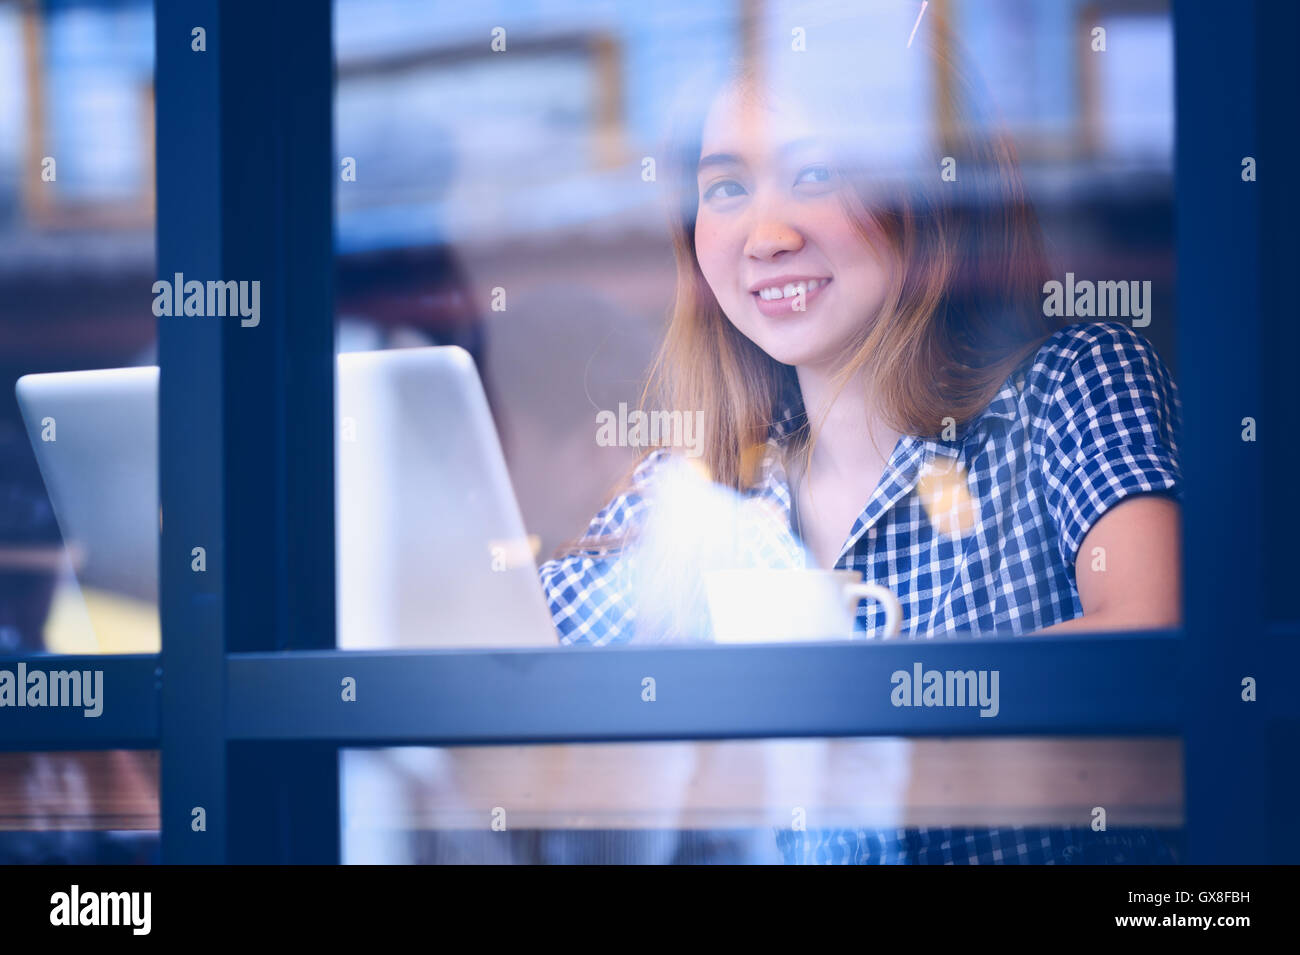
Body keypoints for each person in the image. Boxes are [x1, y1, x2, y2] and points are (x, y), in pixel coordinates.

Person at [539, 4, 1182, 863]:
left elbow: (1157, 640)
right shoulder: (696, 494)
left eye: (816, 175)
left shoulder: (1076, 388)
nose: (768, 235)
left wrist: (859, 720)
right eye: (727, 187)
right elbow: (507, 668)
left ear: (922, 196)